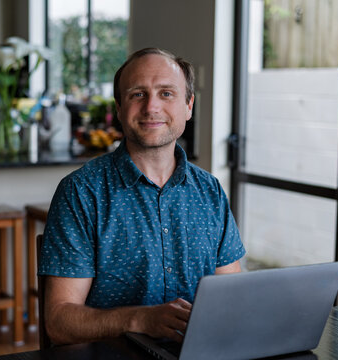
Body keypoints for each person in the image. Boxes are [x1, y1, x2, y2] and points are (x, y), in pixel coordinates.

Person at [38, 47, 246, 345]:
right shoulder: (81, 193)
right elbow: (59, 322)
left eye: (166, 93)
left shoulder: (209, 190)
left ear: (188, 105)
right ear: (119, 107)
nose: (151, 107)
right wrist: (140, 320)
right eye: (138, 94)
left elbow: (232, 295)